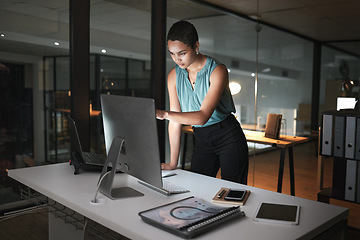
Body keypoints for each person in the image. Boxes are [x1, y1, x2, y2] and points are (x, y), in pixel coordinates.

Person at [156, 20, 248, 184]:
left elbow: (202, 116)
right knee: (197, 190)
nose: (177, 59)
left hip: (227, 136)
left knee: (234, 193)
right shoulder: (174, 76)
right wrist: (172, 162)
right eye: (172, 53)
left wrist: (165, 114)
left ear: (196, 46)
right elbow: (175, 121)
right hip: (201, 139)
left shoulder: (217, 71)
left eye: (182, 53)